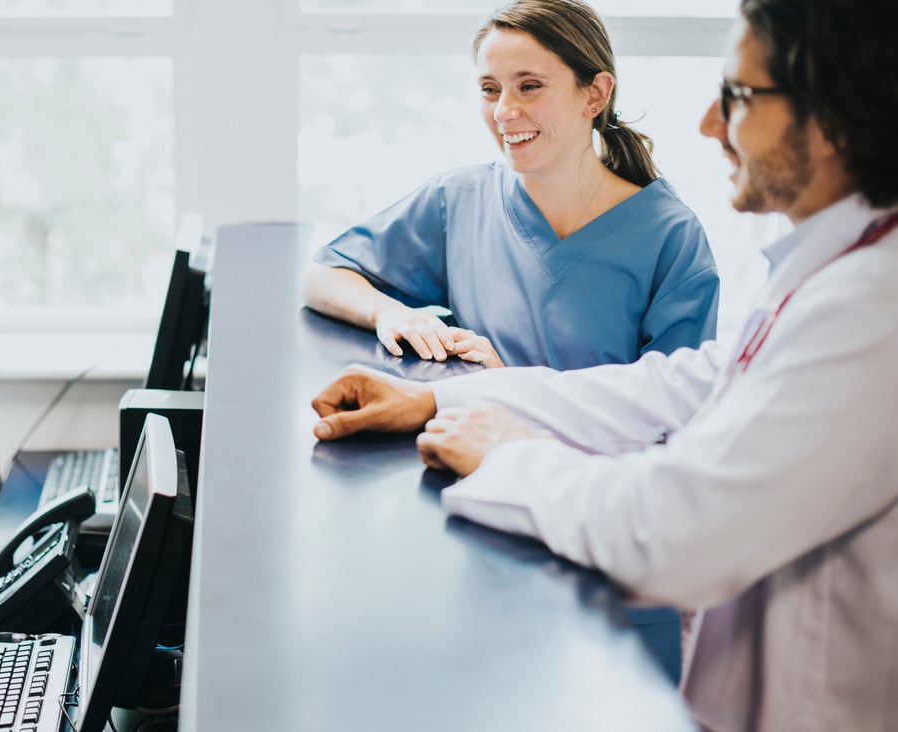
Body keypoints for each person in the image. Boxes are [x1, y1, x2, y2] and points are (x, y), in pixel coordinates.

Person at [311, 0, 898, 727]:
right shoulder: (834, 273)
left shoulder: (869, 309)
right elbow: (675, 385)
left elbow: (676, 534)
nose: (709, 125)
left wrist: (509, 453)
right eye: (490, 88)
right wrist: (437, 401)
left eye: (738, 97)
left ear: (833, 116)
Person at [302, 0, 719, 370]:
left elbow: (675, 410)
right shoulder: (459, 200)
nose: (503, 111)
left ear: (595, 95)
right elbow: (322, 277)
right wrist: (391, 314)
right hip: (467, 451)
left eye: (529, 87)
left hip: (593, 460)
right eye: (490, 89)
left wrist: (508, 391)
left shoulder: (671, 237)